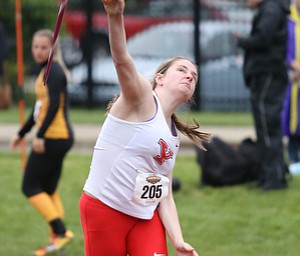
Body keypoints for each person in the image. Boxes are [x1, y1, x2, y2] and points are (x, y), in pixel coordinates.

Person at [79, 0, 210, 255]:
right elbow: (122, 61)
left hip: (144, 215)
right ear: (159, 78)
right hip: (105, 208)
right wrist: (115, 15)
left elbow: (165, 194)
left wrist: (178, 241)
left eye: (194, 76)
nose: (189, 76)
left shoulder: (172, 133)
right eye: (182, 70)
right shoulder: (140, 100)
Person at [9, 29, 74, 256]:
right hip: (56, 137)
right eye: (35, 47)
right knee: (48, 189)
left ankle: (61, 231)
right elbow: (40, 109)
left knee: (29, 186)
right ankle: (57, 241)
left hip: (54, 138)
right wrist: (22, 132)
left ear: (52, 49)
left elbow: (55, 105)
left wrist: (40, 135)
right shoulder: (45, 71)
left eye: (43, 47)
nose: (38, 51)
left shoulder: (54, 72)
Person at [235, 0, 290, 191]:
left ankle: (274, 177)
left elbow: (262, 39)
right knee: (265, 127)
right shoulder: (271, 9)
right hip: (266, 75)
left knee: (267, 127)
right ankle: (269, 174)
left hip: (268, 74)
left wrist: (241, 40)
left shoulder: (271, 9)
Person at [281, 0, 300, 168]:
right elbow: (282, 48)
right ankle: (293, 159)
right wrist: (292, 64)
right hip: (293, 79)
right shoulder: (288, 20)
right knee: (293, 119)